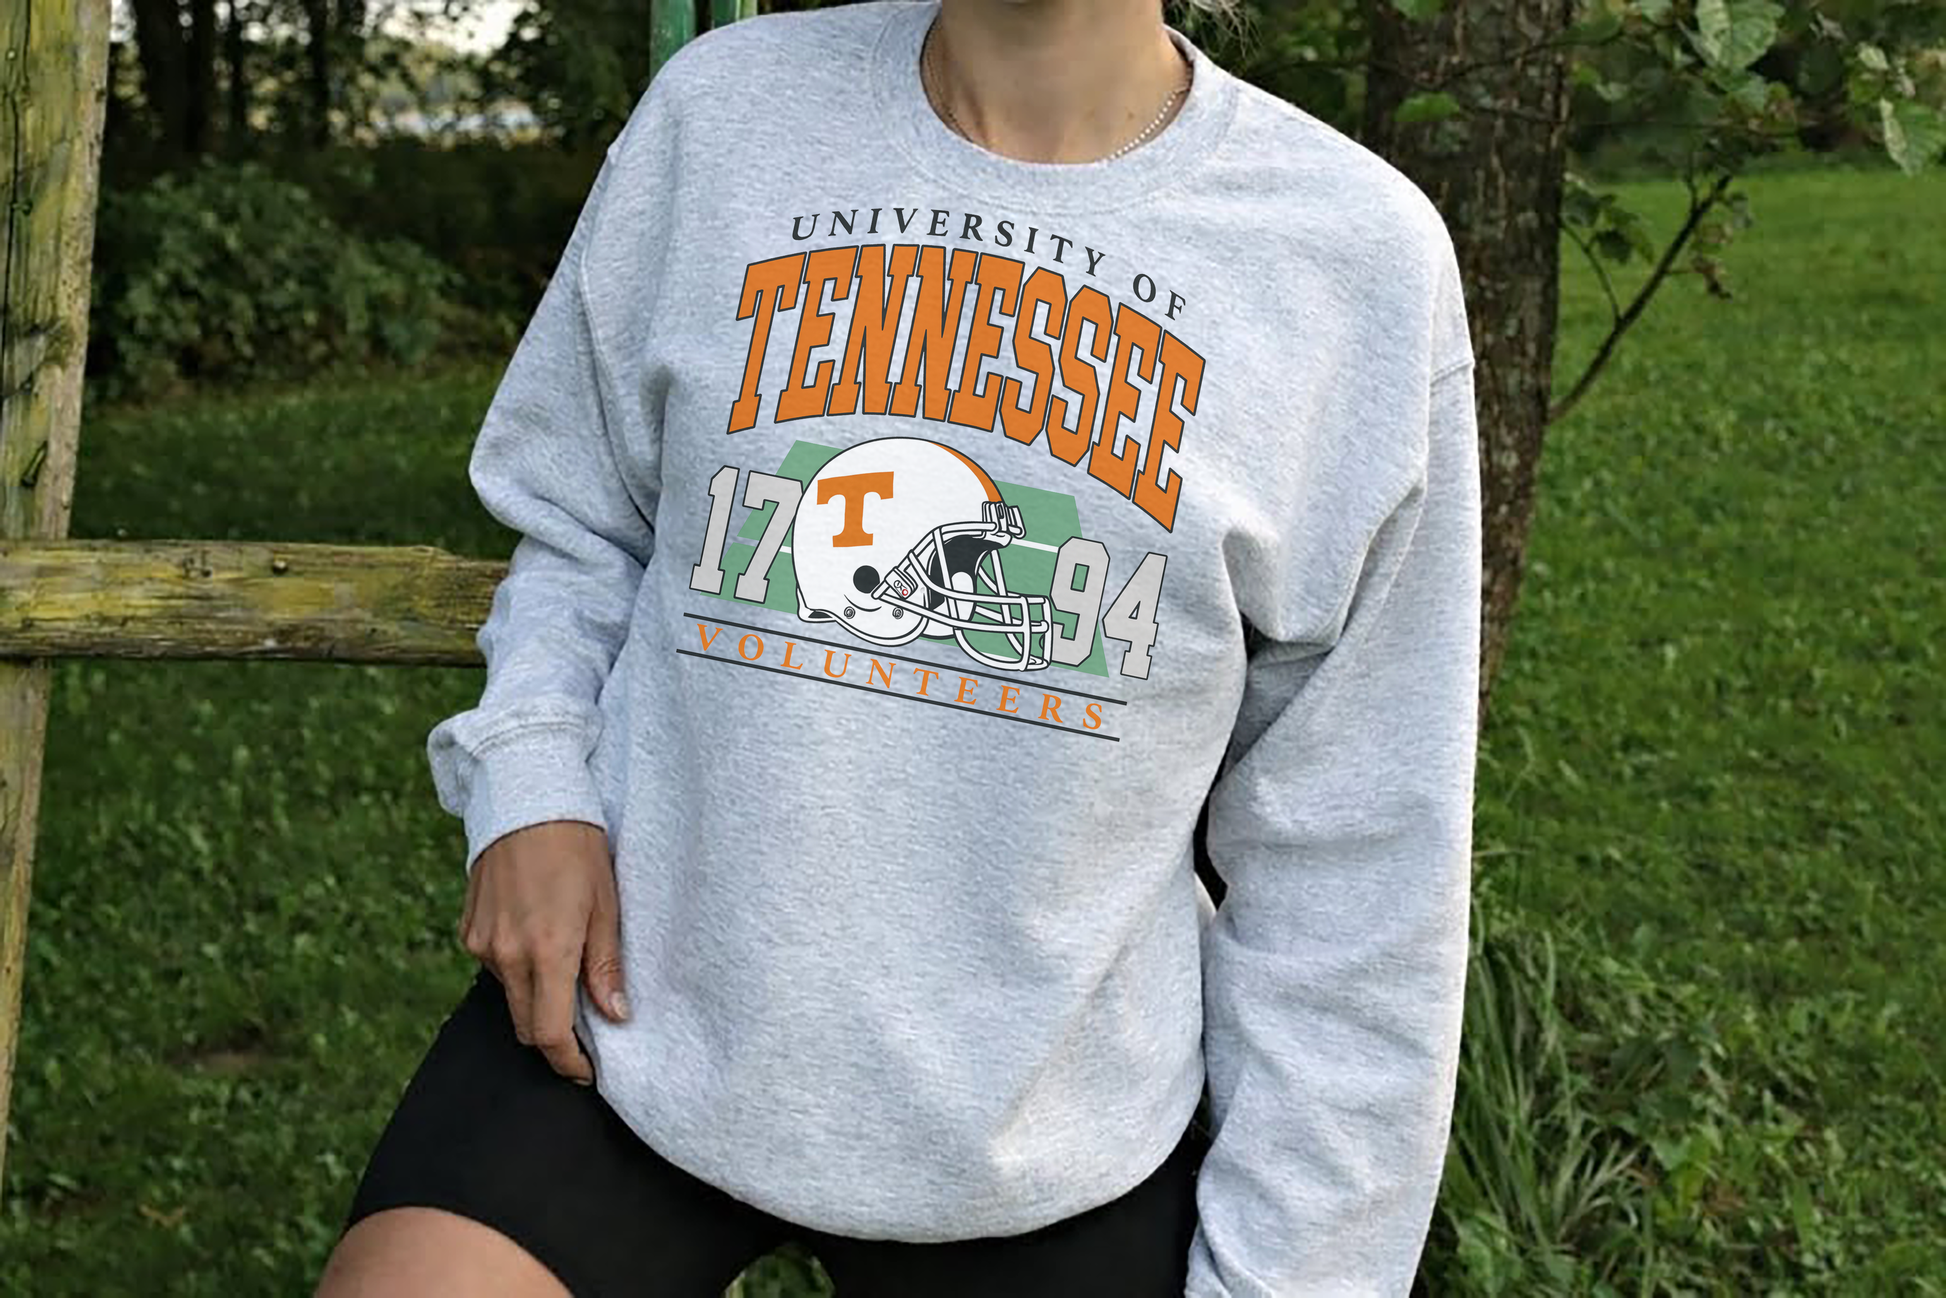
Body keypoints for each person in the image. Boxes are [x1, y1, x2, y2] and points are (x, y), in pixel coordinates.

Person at [315, 0, 1483, 1293]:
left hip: (1043, 1126)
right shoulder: (723, 116)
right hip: (632, 1015)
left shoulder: (1350, 257)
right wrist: (532, 784)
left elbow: (1359, 859)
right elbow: (581, 518)